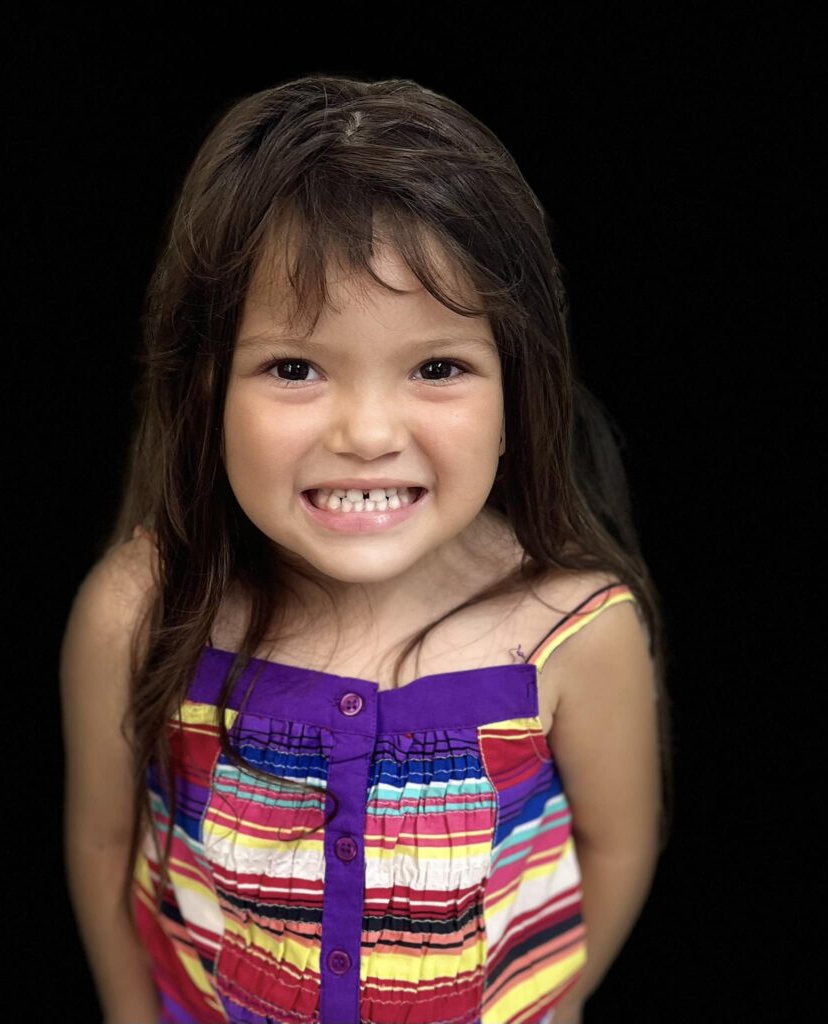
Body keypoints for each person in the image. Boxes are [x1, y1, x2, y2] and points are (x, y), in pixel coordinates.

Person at [60, 73, 673, 1024]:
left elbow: (617, 845)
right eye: (294, 367)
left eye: (437, 366)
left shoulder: (572, 630)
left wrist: (554, 1003)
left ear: (518, 392)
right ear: (205, 388)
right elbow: (105, 844)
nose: (367, 433)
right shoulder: (141, 608)